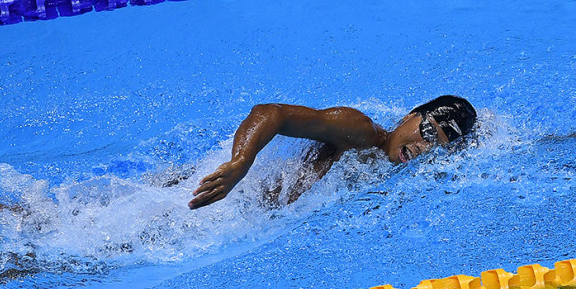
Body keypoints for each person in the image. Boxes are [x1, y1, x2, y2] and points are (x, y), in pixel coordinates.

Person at [189, 95, 478, 210]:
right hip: (218, 192)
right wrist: (240, 162)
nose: (423, 147)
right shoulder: (360, 131)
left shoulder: (384, 166)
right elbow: (271, 113)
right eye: (427, 133)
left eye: (436, 146)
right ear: (410, 116)